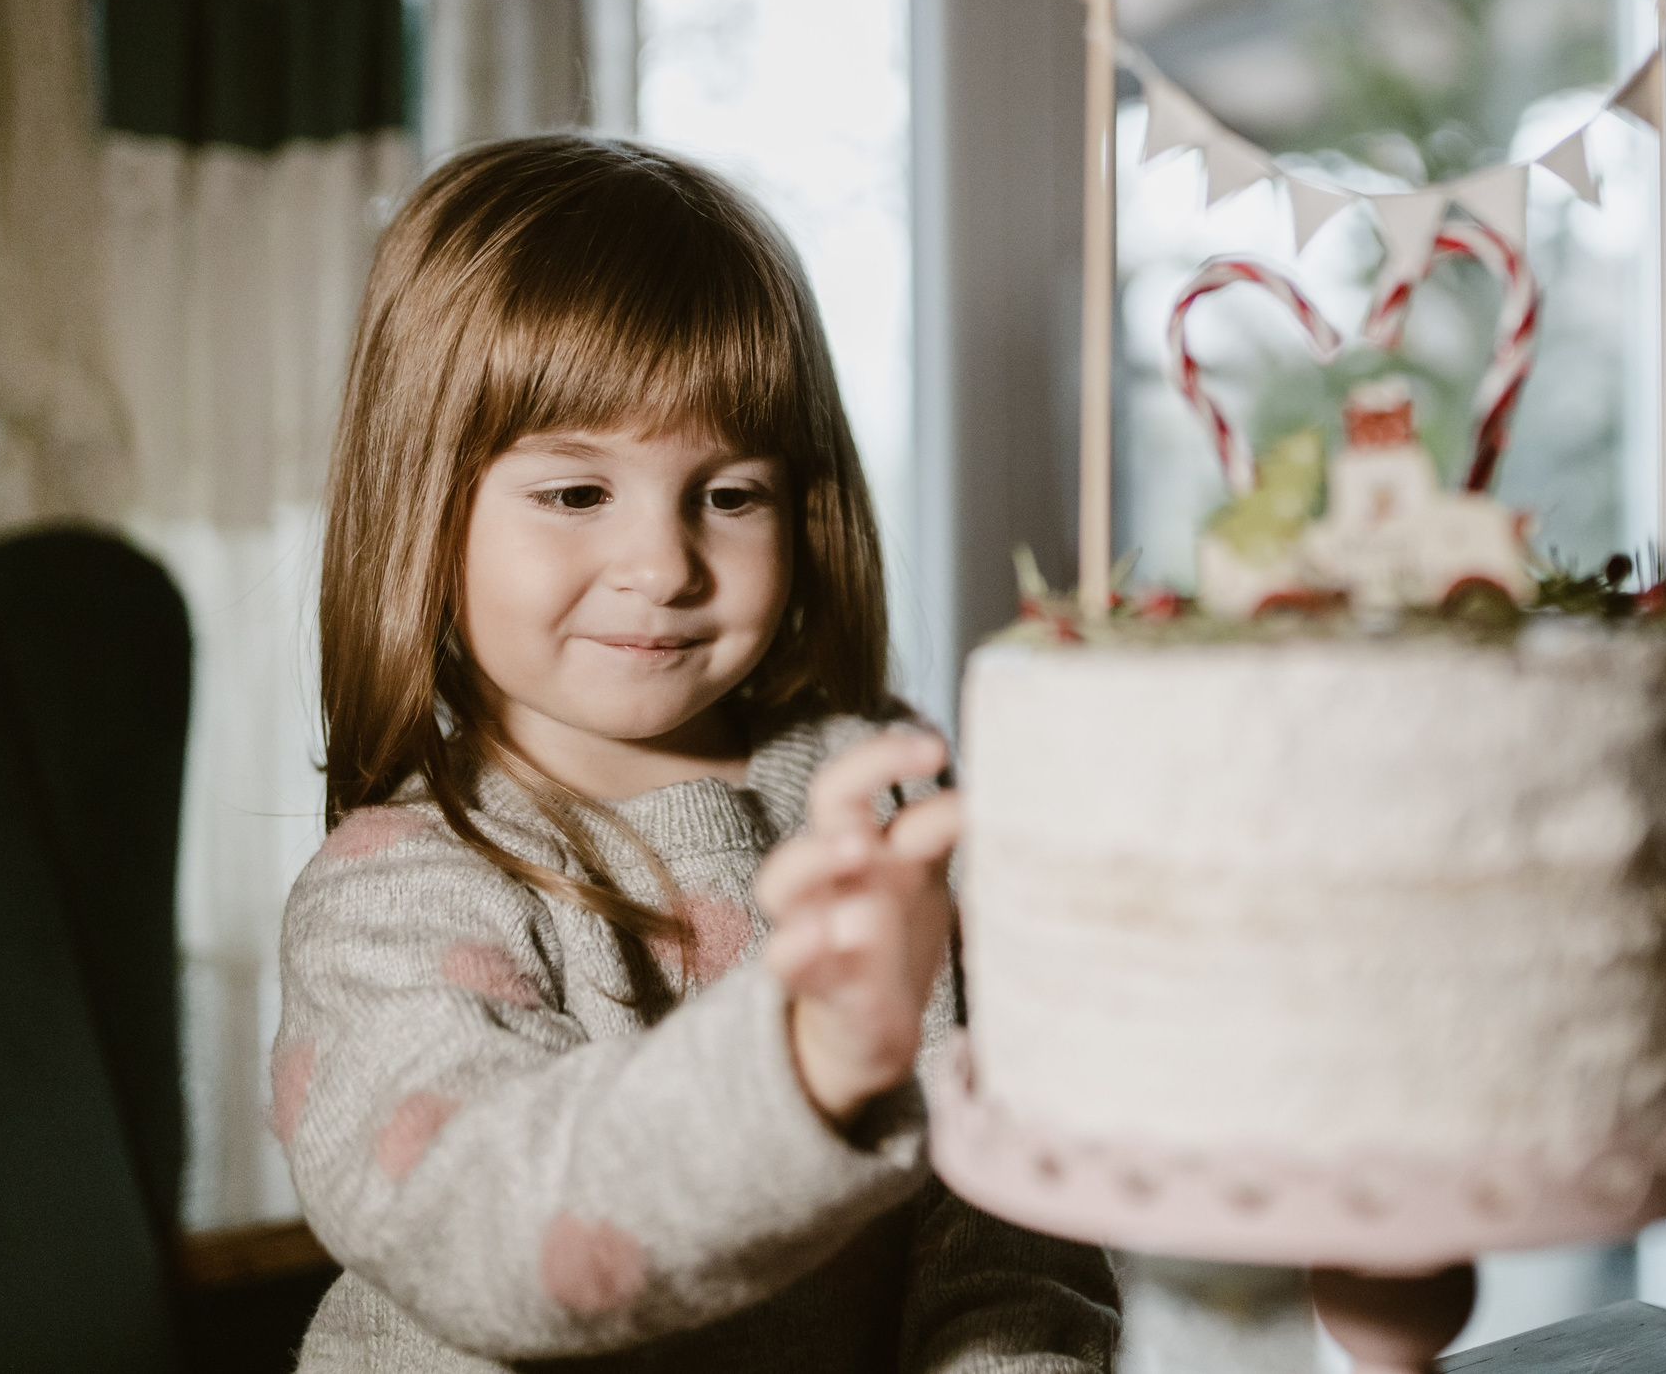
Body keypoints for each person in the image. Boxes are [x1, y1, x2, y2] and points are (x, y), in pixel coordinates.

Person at [271, 134, 1118, 1370]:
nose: (664, 566)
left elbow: (1010, 1238)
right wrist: (804, 1067)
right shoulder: (390, 898)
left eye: (728, 495)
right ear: (423, 501)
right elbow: (491, 1231)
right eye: (575, 494)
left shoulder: (877, 811)